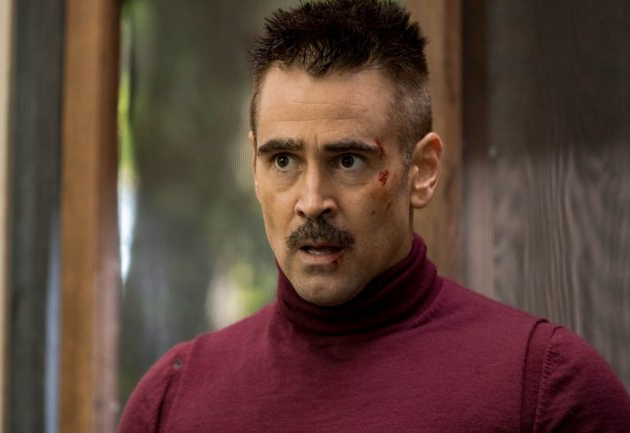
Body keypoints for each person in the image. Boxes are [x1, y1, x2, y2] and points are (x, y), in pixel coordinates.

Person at [118, 1, 630, 431]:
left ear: (422, 171)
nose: (311, 200)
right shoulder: (171, 401)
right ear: (254, 166)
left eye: (348, 160)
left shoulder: (548, 389)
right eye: (284, 161)